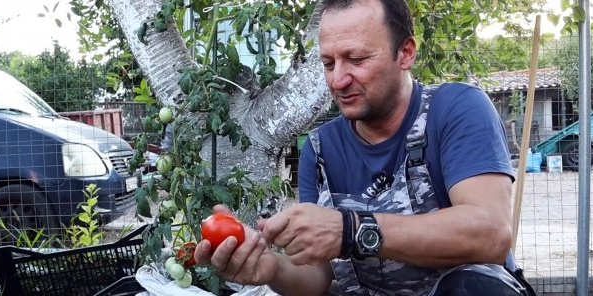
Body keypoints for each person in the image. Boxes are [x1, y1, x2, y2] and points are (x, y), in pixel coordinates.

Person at [194, 0, 534, 295]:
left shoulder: (455, 110)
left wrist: (351, 230)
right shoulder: (321, 149)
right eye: (329, 63)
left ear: (405, 53)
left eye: (356, 59)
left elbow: (490, 234)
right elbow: (319, 274)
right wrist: (272, 269)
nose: (338, 80)